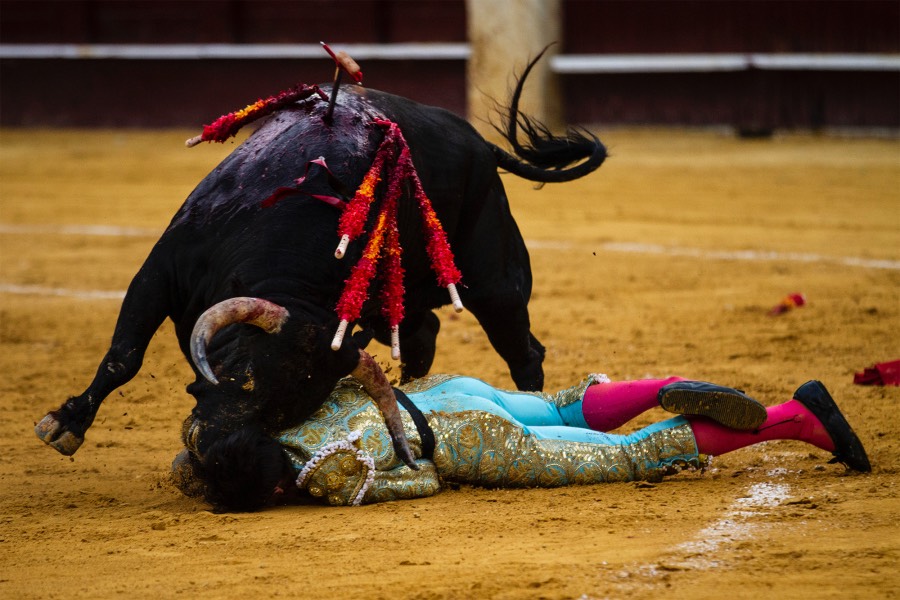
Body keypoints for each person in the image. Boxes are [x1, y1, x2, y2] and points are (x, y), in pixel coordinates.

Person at [172, 373, 870, 512]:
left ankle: (792, 417)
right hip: (447, 393)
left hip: (465, 440)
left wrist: (420, 476)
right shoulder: (276, 413)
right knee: (566, 408)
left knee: (630, 458)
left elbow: (419, 481)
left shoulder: (319, 477)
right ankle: (661, 383)